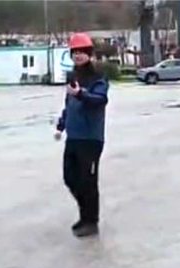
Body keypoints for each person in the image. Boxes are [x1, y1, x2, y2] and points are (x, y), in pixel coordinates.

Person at [54, 32, 109, 238]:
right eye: (75, 52)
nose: (78, 56)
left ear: (89, 54)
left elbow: (100, 100)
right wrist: (61, 125)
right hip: (74, 136)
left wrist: (81, 94)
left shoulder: (98, 77)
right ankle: (84, 213)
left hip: (91, 138)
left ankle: (91, 221)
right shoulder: (73, 76)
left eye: (82, 52)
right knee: (70, 177)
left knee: (88, 180)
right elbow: (69, 104)